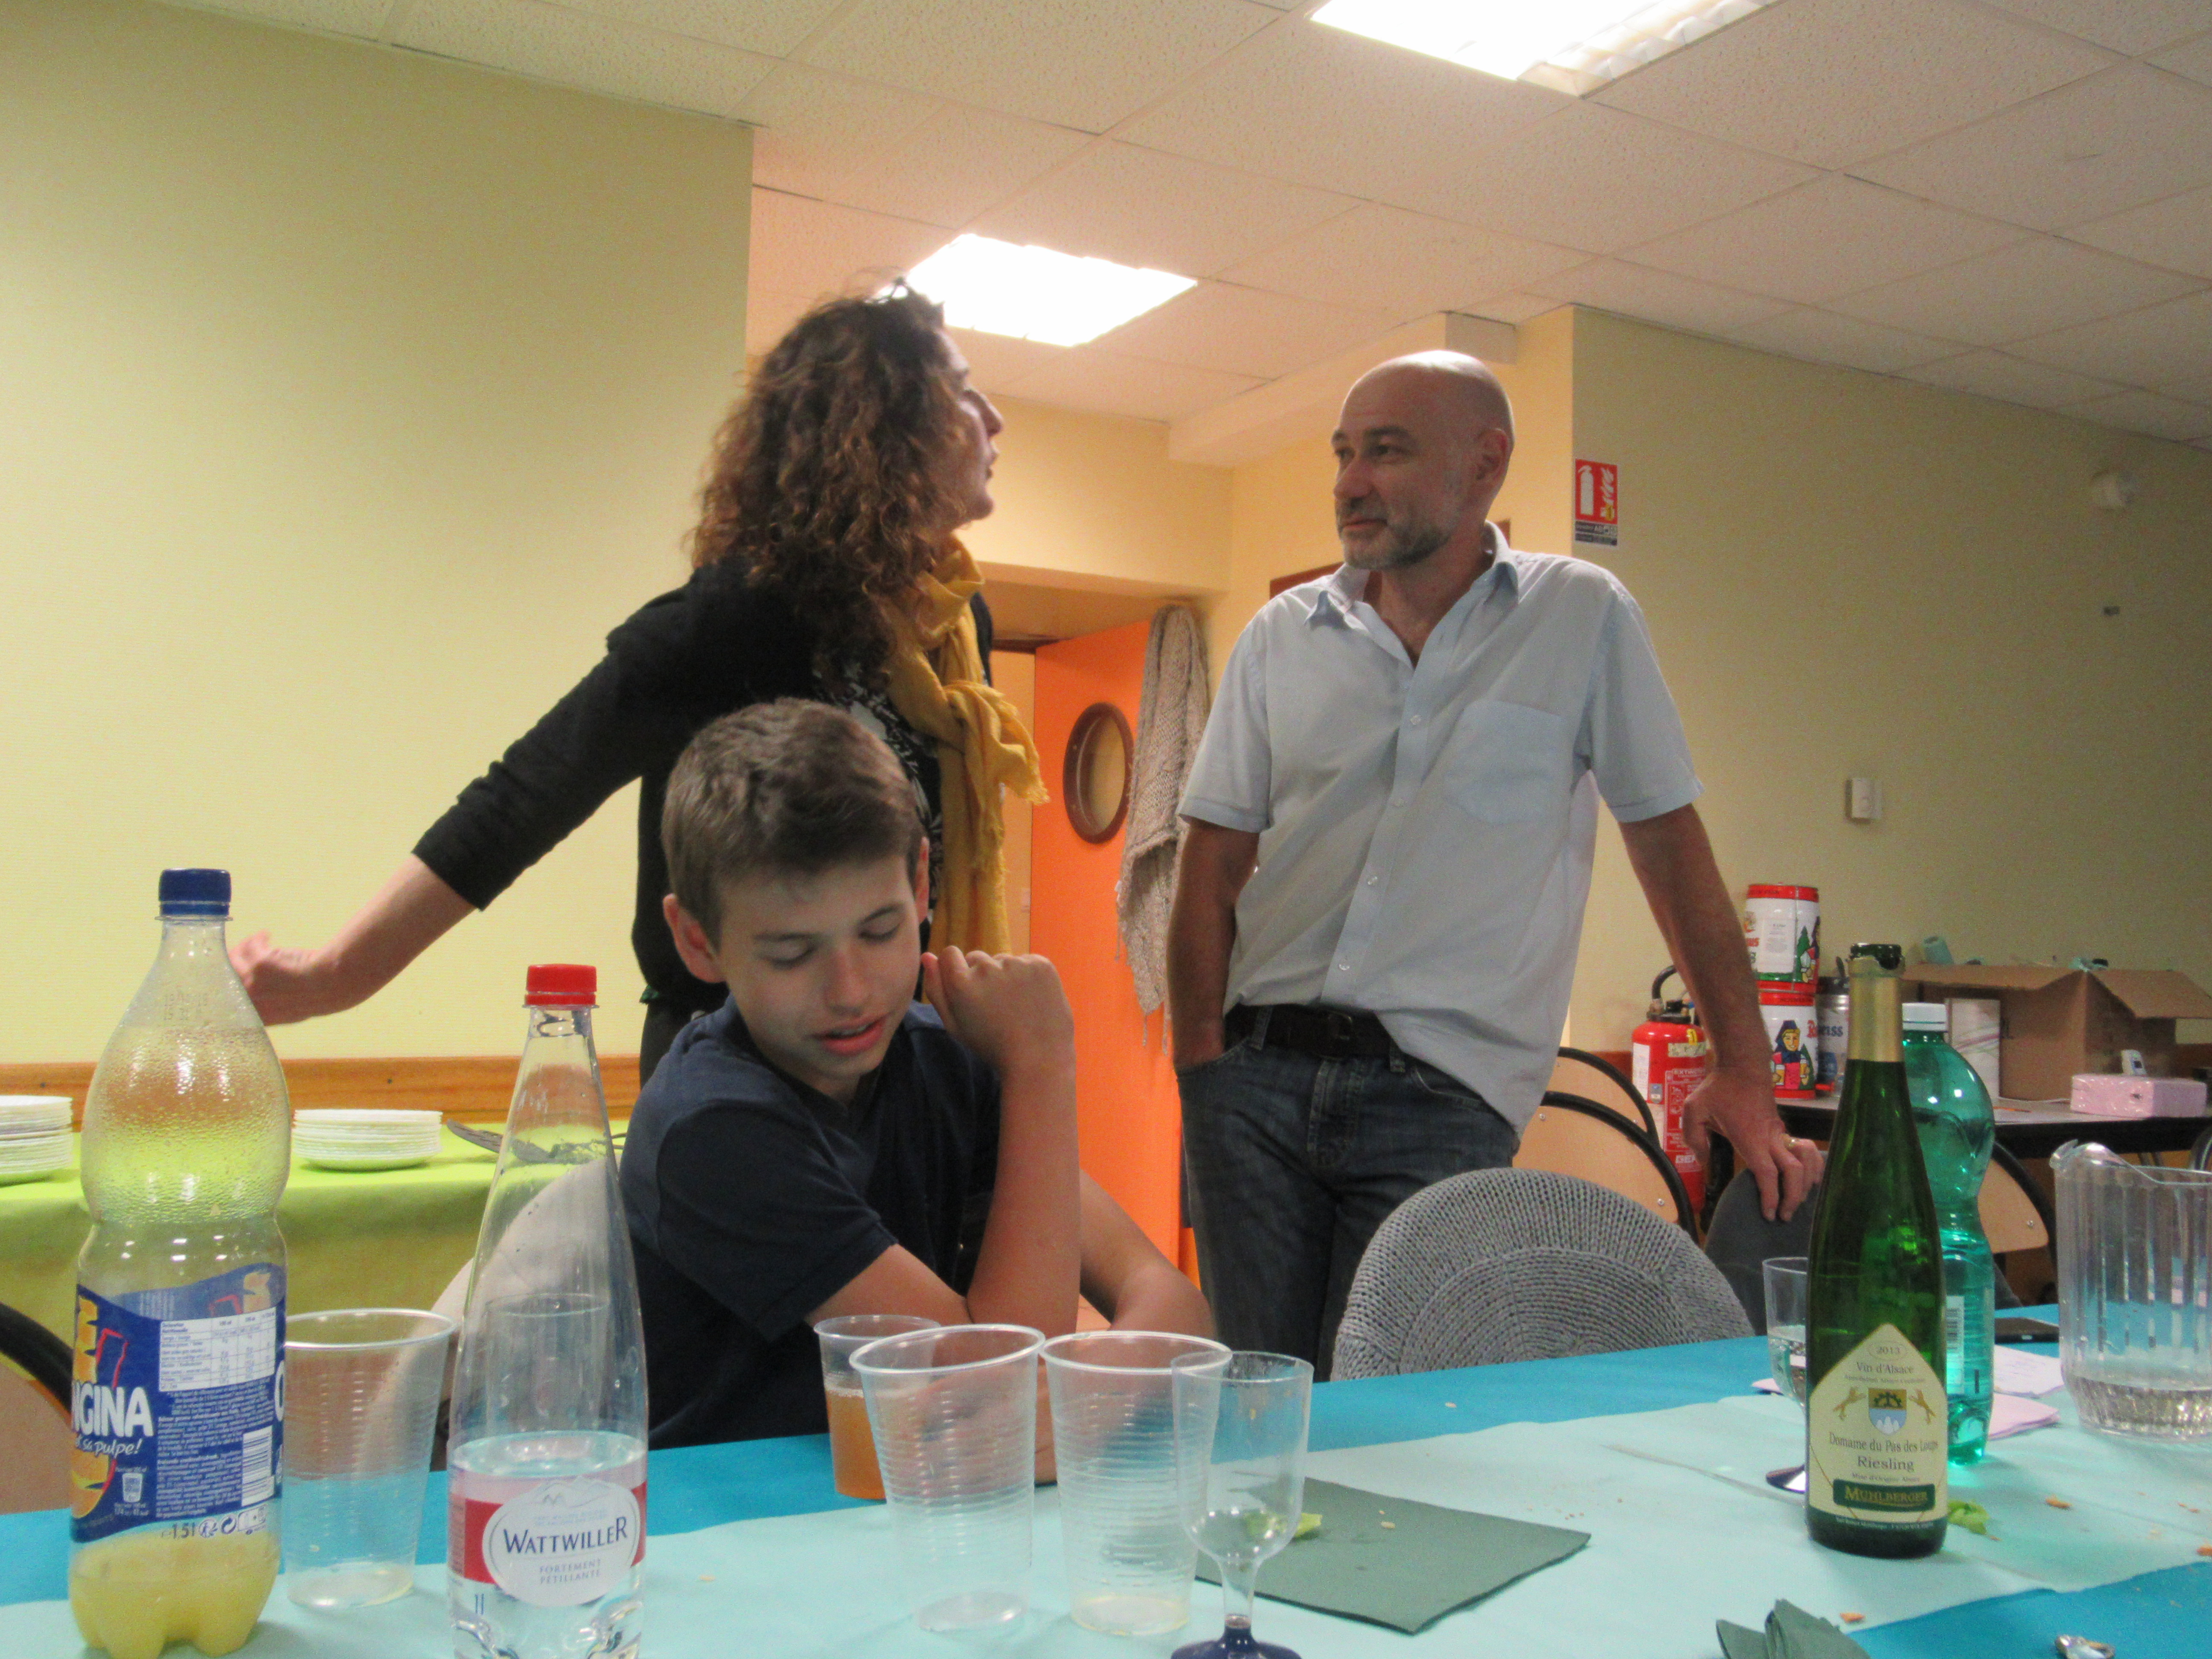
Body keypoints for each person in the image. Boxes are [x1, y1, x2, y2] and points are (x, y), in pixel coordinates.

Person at [1166, 350, 1823, 1373]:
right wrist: (1202, 1069)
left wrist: (1744, 1069)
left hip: (1439, 1099)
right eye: (1344, 454)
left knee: (1396, 1414)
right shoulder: (1279, 639)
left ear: (1484, 464)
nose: (1350, 482)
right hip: (1253, 1087)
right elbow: (1209, 868)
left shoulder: (1582, 616)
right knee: (1259, 1399)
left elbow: (1668, 846)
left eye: (1386, 452)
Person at [231, 287, 1041, 1081]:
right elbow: (521, 799)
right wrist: (337, 975)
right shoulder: (738, 617)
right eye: (962, 393)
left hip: (901, 1056)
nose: (994, 420)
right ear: (884, 427)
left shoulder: (957, 624)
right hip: (741, 1071)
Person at [625, 700, 1210, 1446]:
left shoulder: (946, 1059)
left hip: (915, 1495)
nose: (850, 991)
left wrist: (1084, 1397)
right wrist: (1041, 1066)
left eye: (880, 931)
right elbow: (991, 1379)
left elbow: (1173, 1305)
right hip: (747, 1507)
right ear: (697, 940)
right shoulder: (712, 1128)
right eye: (791, 954)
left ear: (923, 884)